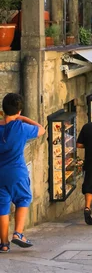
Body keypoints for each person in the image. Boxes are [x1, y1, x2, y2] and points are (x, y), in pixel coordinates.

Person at [0, 93, 45, 253]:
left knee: (2, 207)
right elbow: (41, 129)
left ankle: (4, 244)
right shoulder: (21, 127)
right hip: (16, 170)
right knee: (24, 198)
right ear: (18, 111)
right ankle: (18, 233)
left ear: (3, 109)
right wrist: (23, 118)